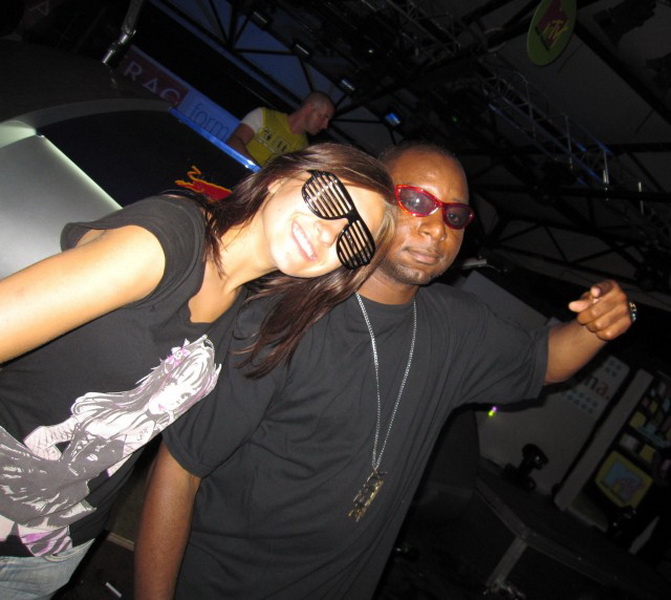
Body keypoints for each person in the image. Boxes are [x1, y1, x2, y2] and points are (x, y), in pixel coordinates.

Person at [134, 141, 635, 600]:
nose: (437, 228)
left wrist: (601, 321)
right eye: (416, 201)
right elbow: (180, 470)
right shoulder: (285, 319)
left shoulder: (458, 327)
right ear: (373, 202)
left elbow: (544, 362)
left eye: (455, 215)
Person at [0, 142, 396, 600]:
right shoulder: (172, 239)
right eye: (331, 199)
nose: (329, 235)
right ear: (279, 178)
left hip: (54, 549)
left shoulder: (242, 309)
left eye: (352, 239)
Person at [226, 91, 335, 167]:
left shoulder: (303, 150)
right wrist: (257, 173)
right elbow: (233, 142)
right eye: (324, 117)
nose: (325, 125)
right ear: (309, 107)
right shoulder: (264, 115)